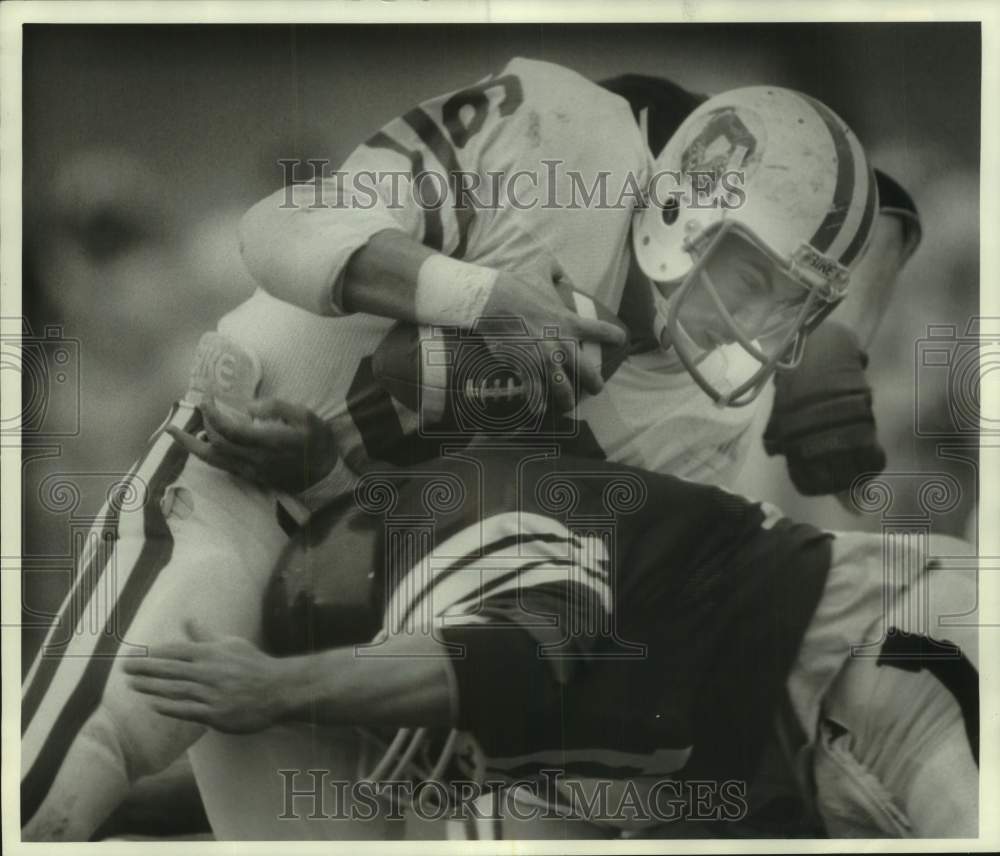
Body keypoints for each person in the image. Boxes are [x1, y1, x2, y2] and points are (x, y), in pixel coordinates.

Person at [21, 58, 914, 841]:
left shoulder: (707, 414)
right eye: (755, 281)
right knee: (75, 764)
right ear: (688, 202)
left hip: (378, 600)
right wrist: (480, 298)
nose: (764, 329)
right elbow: (282, 229)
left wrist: (463, 649)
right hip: (239, 498)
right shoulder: (561, 139)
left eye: (793, 308)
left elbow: (565, 567)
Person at [121, 447, 979, 838]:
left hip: (892, 656)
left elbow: (516, 657)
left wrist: (280, 688)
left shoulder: (498, 555)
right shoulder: (482, 537)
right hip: (813, 734)